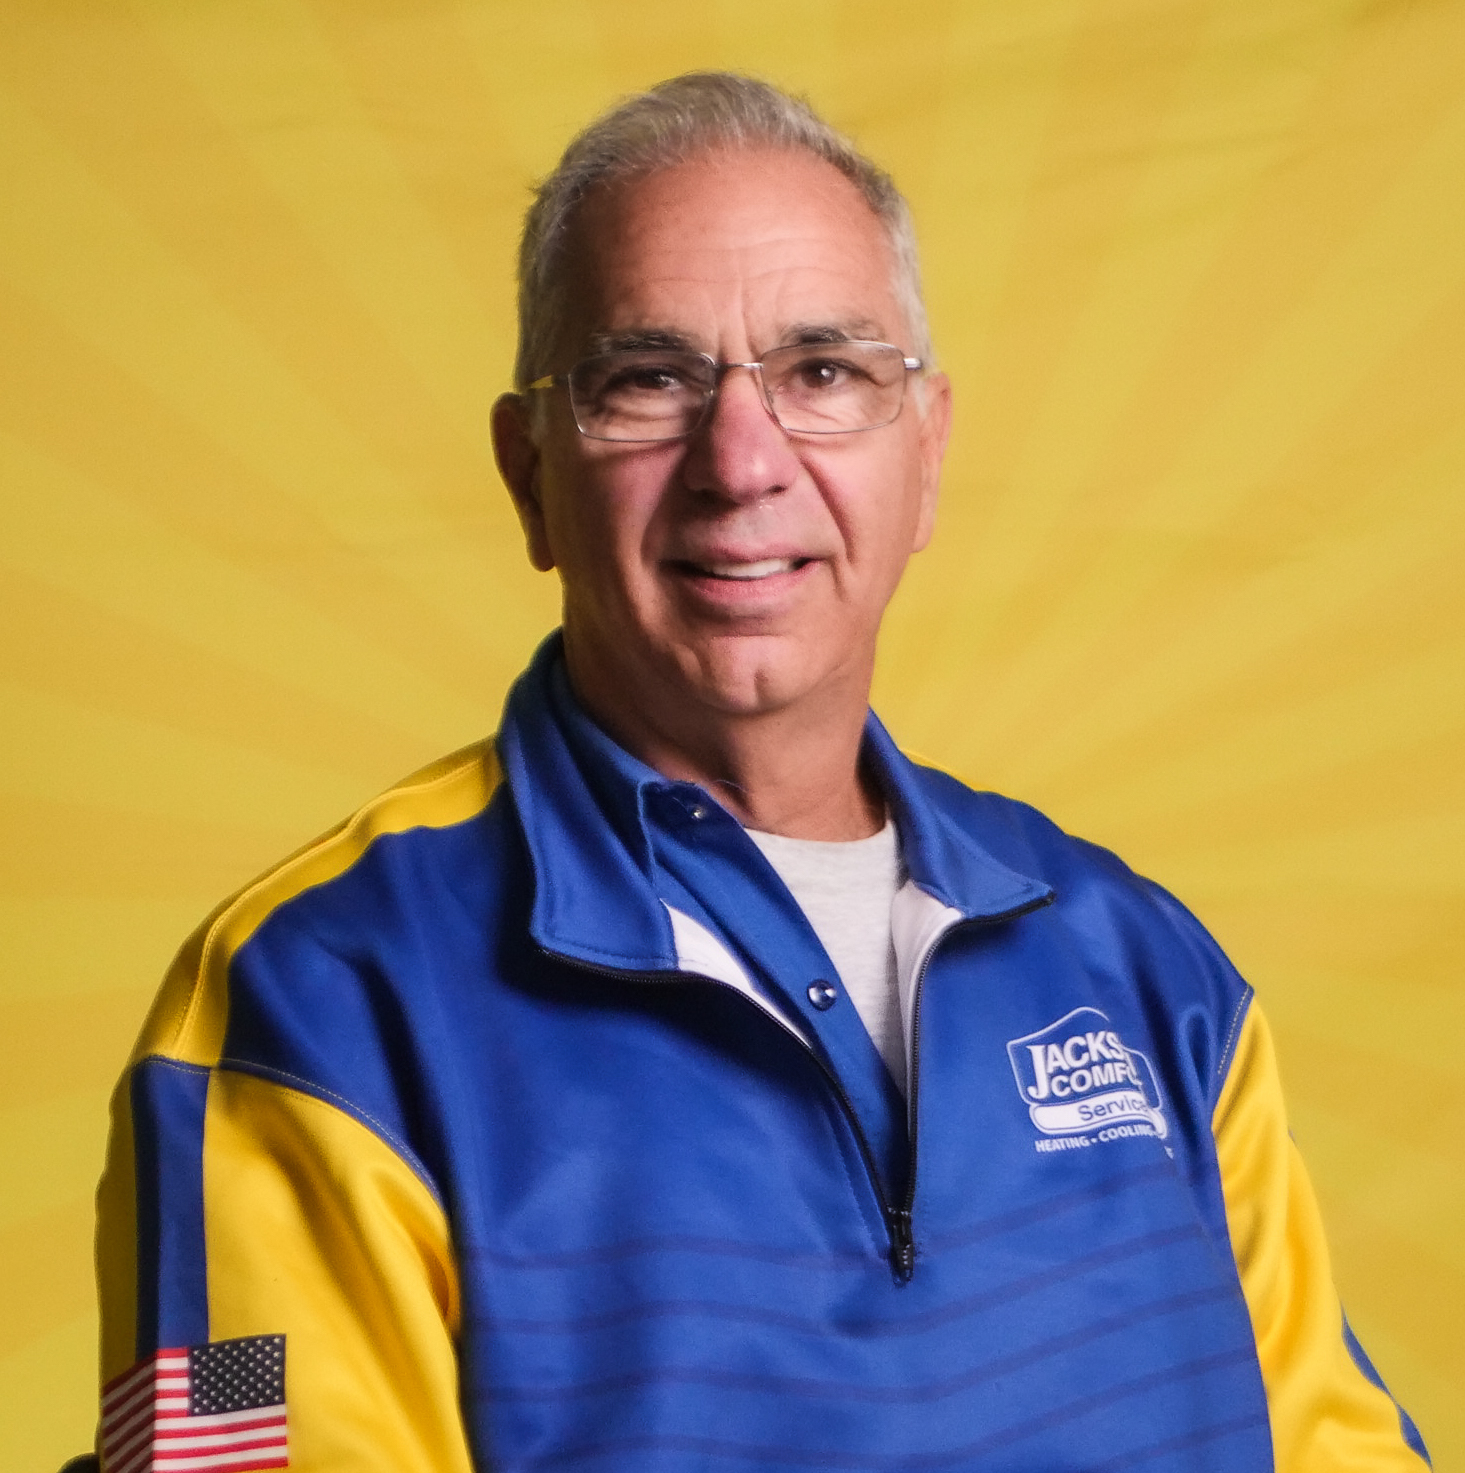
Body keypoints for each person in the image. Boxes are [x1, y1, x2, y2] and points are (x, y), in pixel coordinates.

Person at [92, 72, 1429, 1473]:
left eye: (825, 373)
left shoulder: (1148, 972)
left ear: (924, 456)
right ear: (528, 471)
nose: (741, 462)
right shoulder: (303, 1009)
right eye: (646, 379)